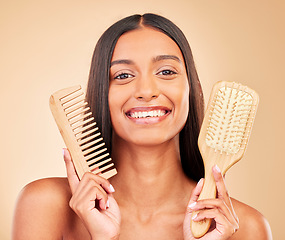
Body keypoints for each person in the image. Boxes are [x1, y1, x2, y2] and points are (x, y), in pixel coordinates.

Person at [12, 13, 272, 240]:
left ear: (190, 88)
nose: (146, 91)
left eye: (166, 72)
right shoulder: (45, 206)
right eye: (123, 75)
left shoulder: (247, 228)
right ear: (103, 92)